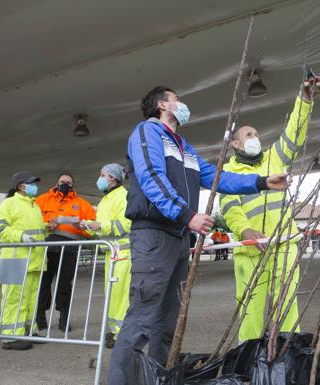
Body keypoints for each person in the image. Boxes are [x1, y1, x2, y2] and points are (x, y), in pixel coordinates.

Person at [108, 86, 290, 385]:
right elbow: (151, 176)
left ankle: (156, 378)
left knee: (167, 322)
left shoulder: (184, 148)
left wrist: (261, 182)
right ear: (162, 105)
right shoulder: (147, 132)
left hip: (179, 238)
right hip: (154, 236)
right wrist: (187, 215)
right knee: (142, 320)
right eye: (176, 99)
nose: (182, 104)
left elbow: (218, 177)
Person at [219, 76, 320, 342]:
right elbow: (230, 208)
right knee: (251, 313)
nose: (256, 138)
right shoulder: (229, 172)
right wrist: (244, 230)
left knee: (286, 309)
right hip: (250, 252)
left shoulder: (275, 159)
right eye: (249, 135)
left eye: (257, 134)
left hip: (284, 246)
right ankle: (248, 362)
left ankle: (287, 358)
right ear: (237, 145)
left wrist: (305, 99)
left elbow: (293, 133)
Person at [34, 173, 96, 331]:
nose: (65, 184)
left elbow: (93, 228)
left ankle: (64, 318)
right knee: (43, 283)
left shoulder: (82, 204)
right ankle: (40, 318)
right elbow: (32, 219)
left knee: (65, 285)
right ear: (56, 183)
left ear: (73, 185)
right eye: (62, 182)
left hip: (69, 248)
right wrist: (46, 225)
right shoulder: (42, 200)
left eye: (68, 182)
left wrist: (82, 227)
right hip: (47, 246)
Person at [0, 171, 46, 350]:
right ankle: (10, 337)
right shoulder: (9, 204)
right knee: (14, 299)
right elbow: (0, 230)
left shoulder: (34, 205)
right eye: (31, 183)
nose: (34, 186)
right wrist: (21, 236)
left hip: (34, 260)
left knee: (31, 298)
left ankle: (28, 331)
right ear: (21, 186)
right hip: (15, 259)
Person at [81, 163, 131, 349]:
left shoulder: (122, 196)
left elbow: (125, 225)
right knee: (112, 295)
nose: (99, 178)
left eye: (102, 174)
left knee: (121, 296)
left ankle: (122, 334)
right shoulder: (106, 199)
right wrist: (91, 227)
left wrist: (100, 227)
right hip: (113, 253)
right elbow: (105, 227)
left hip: (124, 254)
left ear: (112, 177)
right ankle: (114, 331)